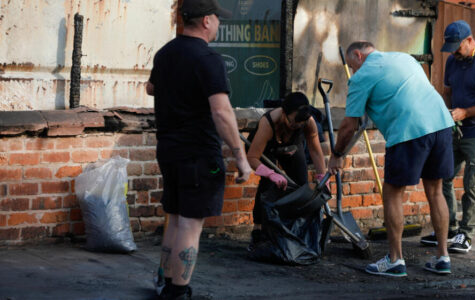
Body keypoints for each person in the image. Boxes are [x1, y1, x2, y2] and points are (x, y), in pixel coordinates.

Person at [146, 0, 252, 298]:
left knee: (177, 216)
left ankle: (166, 280)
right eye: (217, 18)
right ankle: (178, 291)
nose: (219, 23)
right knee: (191, 223)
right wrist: (240, 157)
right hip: (199, 153)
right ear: (206, 21)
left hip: (168, 148)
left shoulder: (165, 53)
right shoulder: (208, 59)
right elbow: (222, 112)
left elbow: (150, 88)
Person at [328, 41, 455, 277]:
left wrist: (336, 155)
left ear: (358, 55)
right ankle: (443, 257)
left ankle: (396, 260)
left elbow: (348, 125)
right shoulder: (404, 57)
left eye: (351, 65)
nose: (353, 70)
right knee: (436, 190)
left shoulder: (362, 76)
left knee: (393, 192)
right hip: (441, 124)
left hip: (408, 129)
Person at [420, 20, 475, 253]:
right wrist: (446, 115)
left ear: (470, 41)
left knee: (473, 182)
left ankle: (466, 234)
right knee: (443, 174)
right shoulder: (452, 61)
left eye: (457, 47)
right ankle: (447, 229)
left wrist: (466, 112)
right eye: (451, 49)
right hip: (455, 127)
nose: (454, 53)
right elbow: (448, 92)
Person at [246, 92, 327, 251]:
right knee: (267, 185)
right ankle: (258, 229)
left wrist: (322, 175)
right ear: (284, 113)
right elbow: (252, 157)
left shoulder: (307, 122)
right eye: (293, 123)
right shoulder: (268, 123)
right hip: (263, 150)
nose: (296, 126)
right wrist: (271, 173)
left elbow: (316, 151)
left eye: (300, 124)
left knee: (301, 185)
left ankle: (294, 229)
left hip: (290, 147)